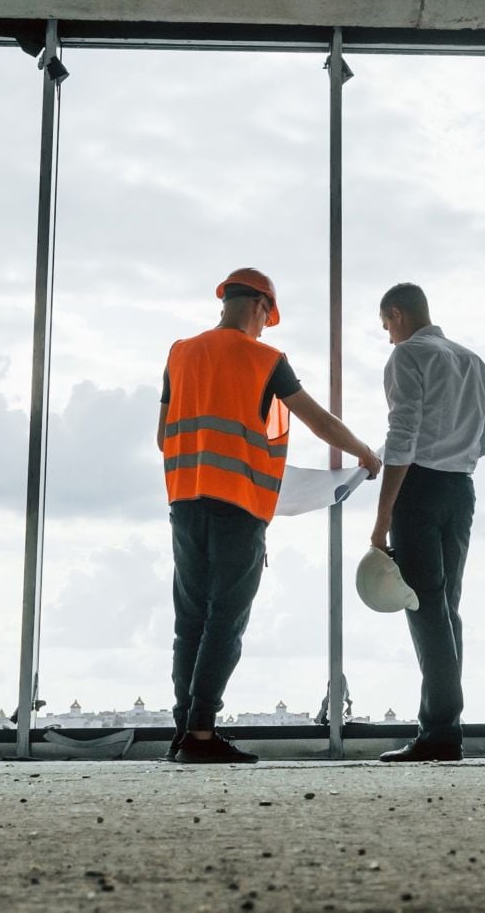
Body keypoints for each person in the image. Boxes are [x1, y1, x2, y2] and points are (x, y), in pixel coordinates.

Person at [160, 268, 381, 764]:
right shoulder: (265, 359)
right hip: (238, 507)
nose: (265, 326)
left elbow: (163, 434)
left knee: (189, 622)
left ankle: (183, 731)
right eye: (267, 317)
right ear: (260, 306)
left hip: (184, 501)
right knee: (225, 621)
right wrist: (364, 452)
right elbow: (317, 419)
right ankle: (201, 735)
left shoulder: (180, 352)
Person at [369, 282, 485, 762]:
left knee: (424, 609)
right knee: (446, 609)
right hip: (461, 491)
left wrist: (381, 522)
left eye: (385, 327)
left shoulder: (407, 357)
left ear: (396, 314)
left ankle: (440, 732)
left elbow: (403, 437)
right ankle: (444, 726)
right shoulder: (473, 362)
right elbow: (482, 442)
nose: (388, 338)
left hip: (418, 490)